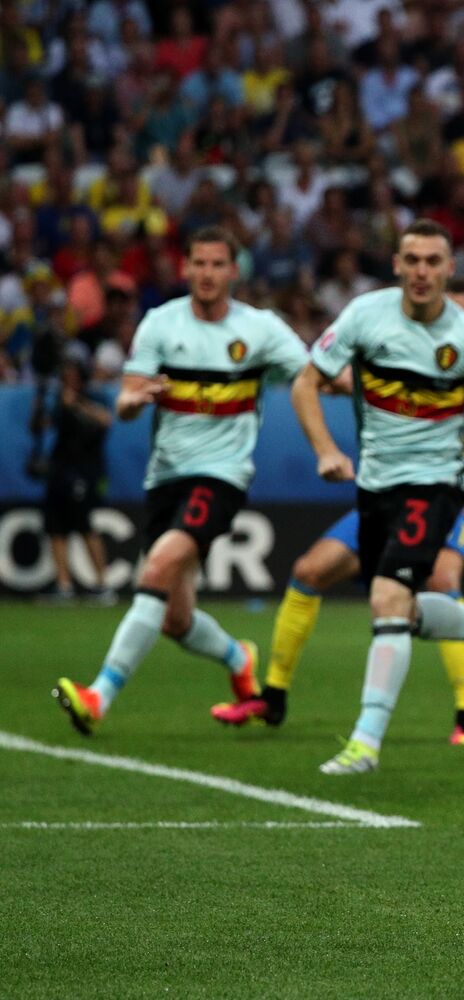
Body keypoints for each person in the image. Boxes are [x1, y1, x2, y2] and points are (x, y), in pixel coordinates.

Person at [212, 279, 464, 746]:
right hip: (384, 497)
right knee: (309, 571)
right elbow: (335, 379)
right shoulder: (394, 353)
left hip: (449, 503)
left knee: (442, 581)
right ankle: (273, 697)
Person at [290, 220, 464, 775]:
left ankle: (365, 744)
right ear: (398, 266)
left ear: (449, 270)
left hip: (436, 487)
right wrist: (325, 449)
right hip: (374, 487)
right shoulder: (365, 316)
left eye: (433, 261)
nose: (422, 271)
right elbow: (306, 381)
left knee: (387, 597)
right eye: (412, 260)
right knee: (403, 610)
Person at [53, 227, 309, 734]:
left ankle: (99, 695)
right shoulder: (160, 324)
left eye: (218, 265)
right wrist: (134, 399)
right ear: (185, 268)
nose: (207, 274)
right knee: (174, 618)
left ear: (234, 271)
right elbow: (126, 403)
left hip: (222, 477)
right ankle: (238, 658)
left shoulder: (260, 329)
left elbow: (312, 374)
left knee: (157, 568)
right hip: (166, 477)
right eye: (199, 264)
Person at [41, 352, 115, 604]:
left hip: (85, 469)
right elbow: (42, 426)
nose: (68, 379)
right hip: (60, 468)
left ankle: (103, 584)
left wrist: (77, 404)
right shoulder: (57, 399)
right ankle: (64, 584)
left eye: (72, 374)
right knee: (56, 526)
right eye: (65, 375)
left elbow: (106, 420)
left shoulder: (94, 396)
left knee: (84, 524)